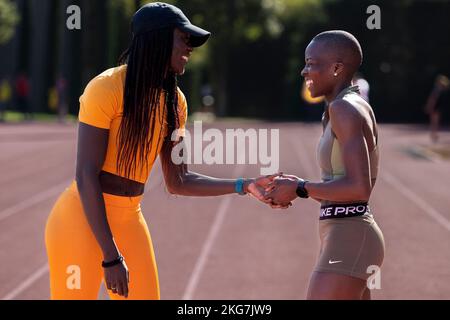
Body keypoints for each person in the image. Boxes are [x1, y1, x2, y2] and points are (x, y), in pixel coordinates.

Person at [45, 2, 274, 300]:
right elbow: (86, 174)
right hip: (81, 219)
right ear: (158, 39)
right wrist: (111, 255)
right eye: (184, 38)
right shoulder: (106, 88)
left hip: (129, 218)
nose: (190, 47)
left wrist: (244, 186)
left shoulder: (175, 103)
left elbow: (178, 180)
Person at [264, 30, 385, 300]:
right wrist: (296, 187)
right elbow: (341, 182)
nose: (303, 71)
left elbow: (359, 188)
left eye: (311, 63)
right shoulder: (344, 106)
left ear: (337, 68)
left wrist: (300, 188)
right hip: (345, 235)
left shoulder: (344, 108)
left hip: (350, 237)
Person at [424, 74, 449, 143]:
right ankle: (433, 135)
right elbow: (432, 98)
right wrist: (430, 106)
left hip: (438, 106)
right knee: (434, 122)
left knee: (435, 122)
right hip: (436, 107)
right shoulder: (436, 89)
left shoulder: (441, 89)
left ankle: (434, 134)